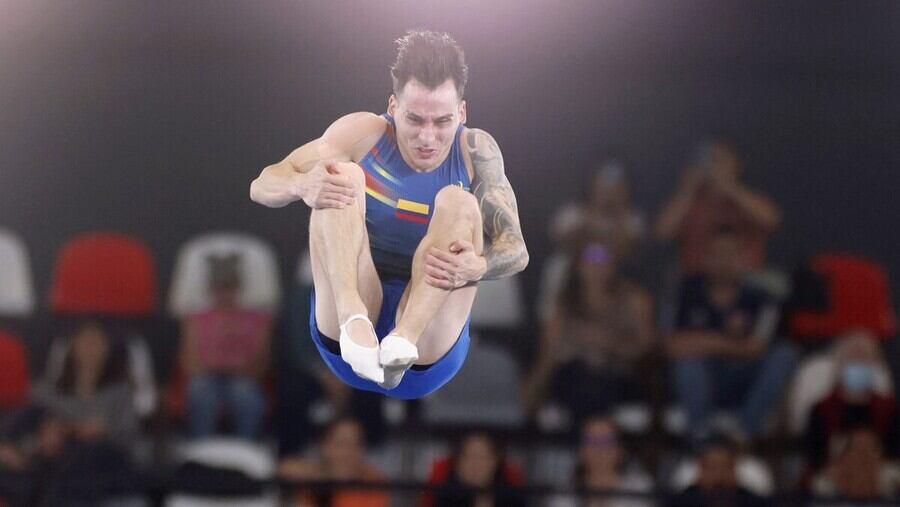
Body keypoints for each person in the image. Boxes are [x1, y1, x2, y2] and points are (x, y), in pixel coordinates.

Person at [250, 30, 528, 398]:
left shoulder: (476, 151)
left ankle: (403, 340)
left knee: (459, 202)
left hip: (427, 343)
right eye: (415, 120)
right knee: (339, 177)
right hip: (352, 322)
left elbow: (516, 250)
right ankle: (354, 323)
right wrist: (301, 186)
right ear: (394, 107)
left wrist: (477, 267)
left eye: (442, 121)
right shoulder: (363, 133)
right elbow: (263, 184)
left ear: (462, 113)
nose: (427, 138)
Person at [667, 227, 797, 443]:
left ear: (743, 259)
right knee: (687, 362)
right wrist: (732, 343)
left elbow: (758, 347)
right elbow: (673, 347)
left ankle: (743, 436)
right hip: (704, 378)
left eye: (730, 254)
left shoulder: (763, 298)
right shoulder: (686, 291)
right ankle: (700, 439)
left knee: (785, 355)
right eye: (717, 254)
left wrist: (703, 340)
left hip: (746, 379)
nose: (723, 261)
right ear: (706, 258)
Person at [523, 239, 654, 426]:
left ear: (614, 263)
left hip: (619, 375)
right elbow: (549, 353)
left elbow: (648, 348)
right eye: (591, 258)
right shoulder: (563, 303)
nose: (596, 266)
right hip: (574, 377)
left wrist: (609, 344)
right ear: (578, 265)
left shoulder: (634, 299)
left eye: (602, 258)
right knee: (579, 386)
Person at [180, 253, 272, 439]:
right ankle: (201, 449)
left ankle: (246, 450)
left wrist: (244, 372)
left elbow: (262, 358)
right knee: (200, 393)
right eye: (219, 288)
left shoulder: (258, 320)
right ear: (211, 289)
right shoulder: (195, 320)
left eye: (228, 288)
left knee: (246, 397)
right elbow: (188, 357)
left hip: (243, 377)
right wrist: (206, 371)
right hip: (206, 376)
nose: (224, 294)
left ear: (237, 288)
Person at [655, 140, 781, 275]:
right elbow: (661, 233)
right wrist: (688, 188)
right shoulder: (690, 203)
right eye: (711, 161)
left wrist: (729, 187)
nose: (715, 168)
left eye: (722, 161)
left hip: (747, 281)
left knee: (776, 283)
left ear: (737, 165)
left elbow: (771, 220)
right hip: (698, 281)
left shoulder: (748, 199)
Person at [278, 417, 388, 507]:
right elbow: (284, 468)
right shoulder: (310, 477)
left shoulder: (373, 482)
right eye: (341, 444)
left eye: (356, 444)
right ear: (325, 445)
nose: (349, 451)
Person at [546, 415, 654, 507]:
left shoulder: (640, 489)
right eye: (591, 441)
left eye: (606, 441)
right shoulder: (563, 494)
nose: (599, 449)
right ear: (580, 451)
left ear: (620, 450)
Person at [419, 431, 526, 507]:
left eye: (482, 457)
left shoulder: (512, 499)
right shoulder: (442, 497)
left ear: (495, 462)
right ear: (458, 463)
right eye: (469, 457)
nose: (476, 464)